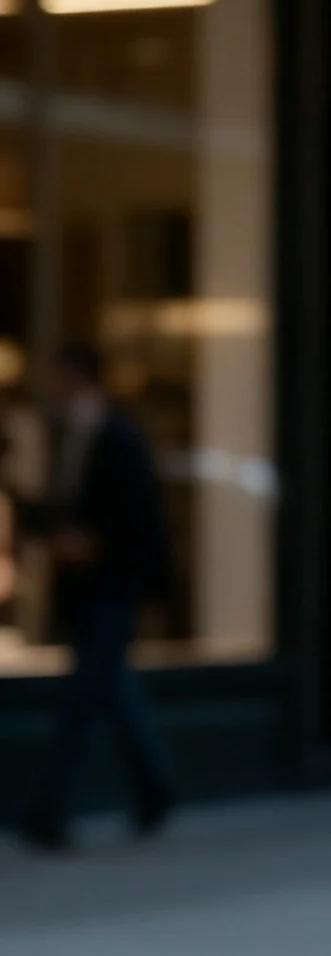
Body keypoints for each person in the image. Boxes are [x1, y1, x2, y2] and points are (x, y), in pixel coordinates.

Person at [18, 343, 177, 849]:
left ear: (79, 378)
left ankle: (49, 810)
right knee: (114, 692)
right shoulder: (64, 434)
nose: (53, 387)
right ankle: (155, 789)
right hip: (82, 591)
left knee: (82, 700)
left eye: (59, 377)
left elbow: (139, 520)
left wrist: (94, 547)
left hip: (112, 587)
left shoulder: (119, 436)